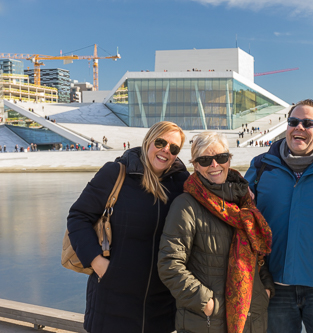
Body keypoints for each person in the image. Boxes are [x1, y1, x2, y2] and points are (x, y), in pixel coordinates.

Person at [67, 121, 190, 333]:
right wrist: (98, 264)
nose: (166, 151)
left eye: (174, 148)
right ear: (148, 141)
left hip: (160, 308)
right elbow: (78, 217)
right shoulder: (115, 173)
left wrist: (245, 193)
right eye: (160, 142)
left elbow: (210, 196)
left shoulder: (181, 183)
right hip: (112, 302)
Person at [245, 99, 313, 333]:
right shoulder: (262, 166)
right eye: (293, 121)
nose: (299, 127)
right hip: (274, 285)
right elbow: (236, 208)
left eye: (307, 123)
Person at [158, 131, 274, 333]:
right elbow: (169, 264)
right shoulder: (186, 206)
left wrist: (265, 288)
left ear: (229, 160)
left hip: (251, 317)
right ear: (195, 164)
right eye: (205, 160)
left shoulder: (244, 202)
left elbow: (258, 251)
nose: (214, 165)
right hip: (207, 322)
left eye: (220, 158)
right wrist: (207, 303)